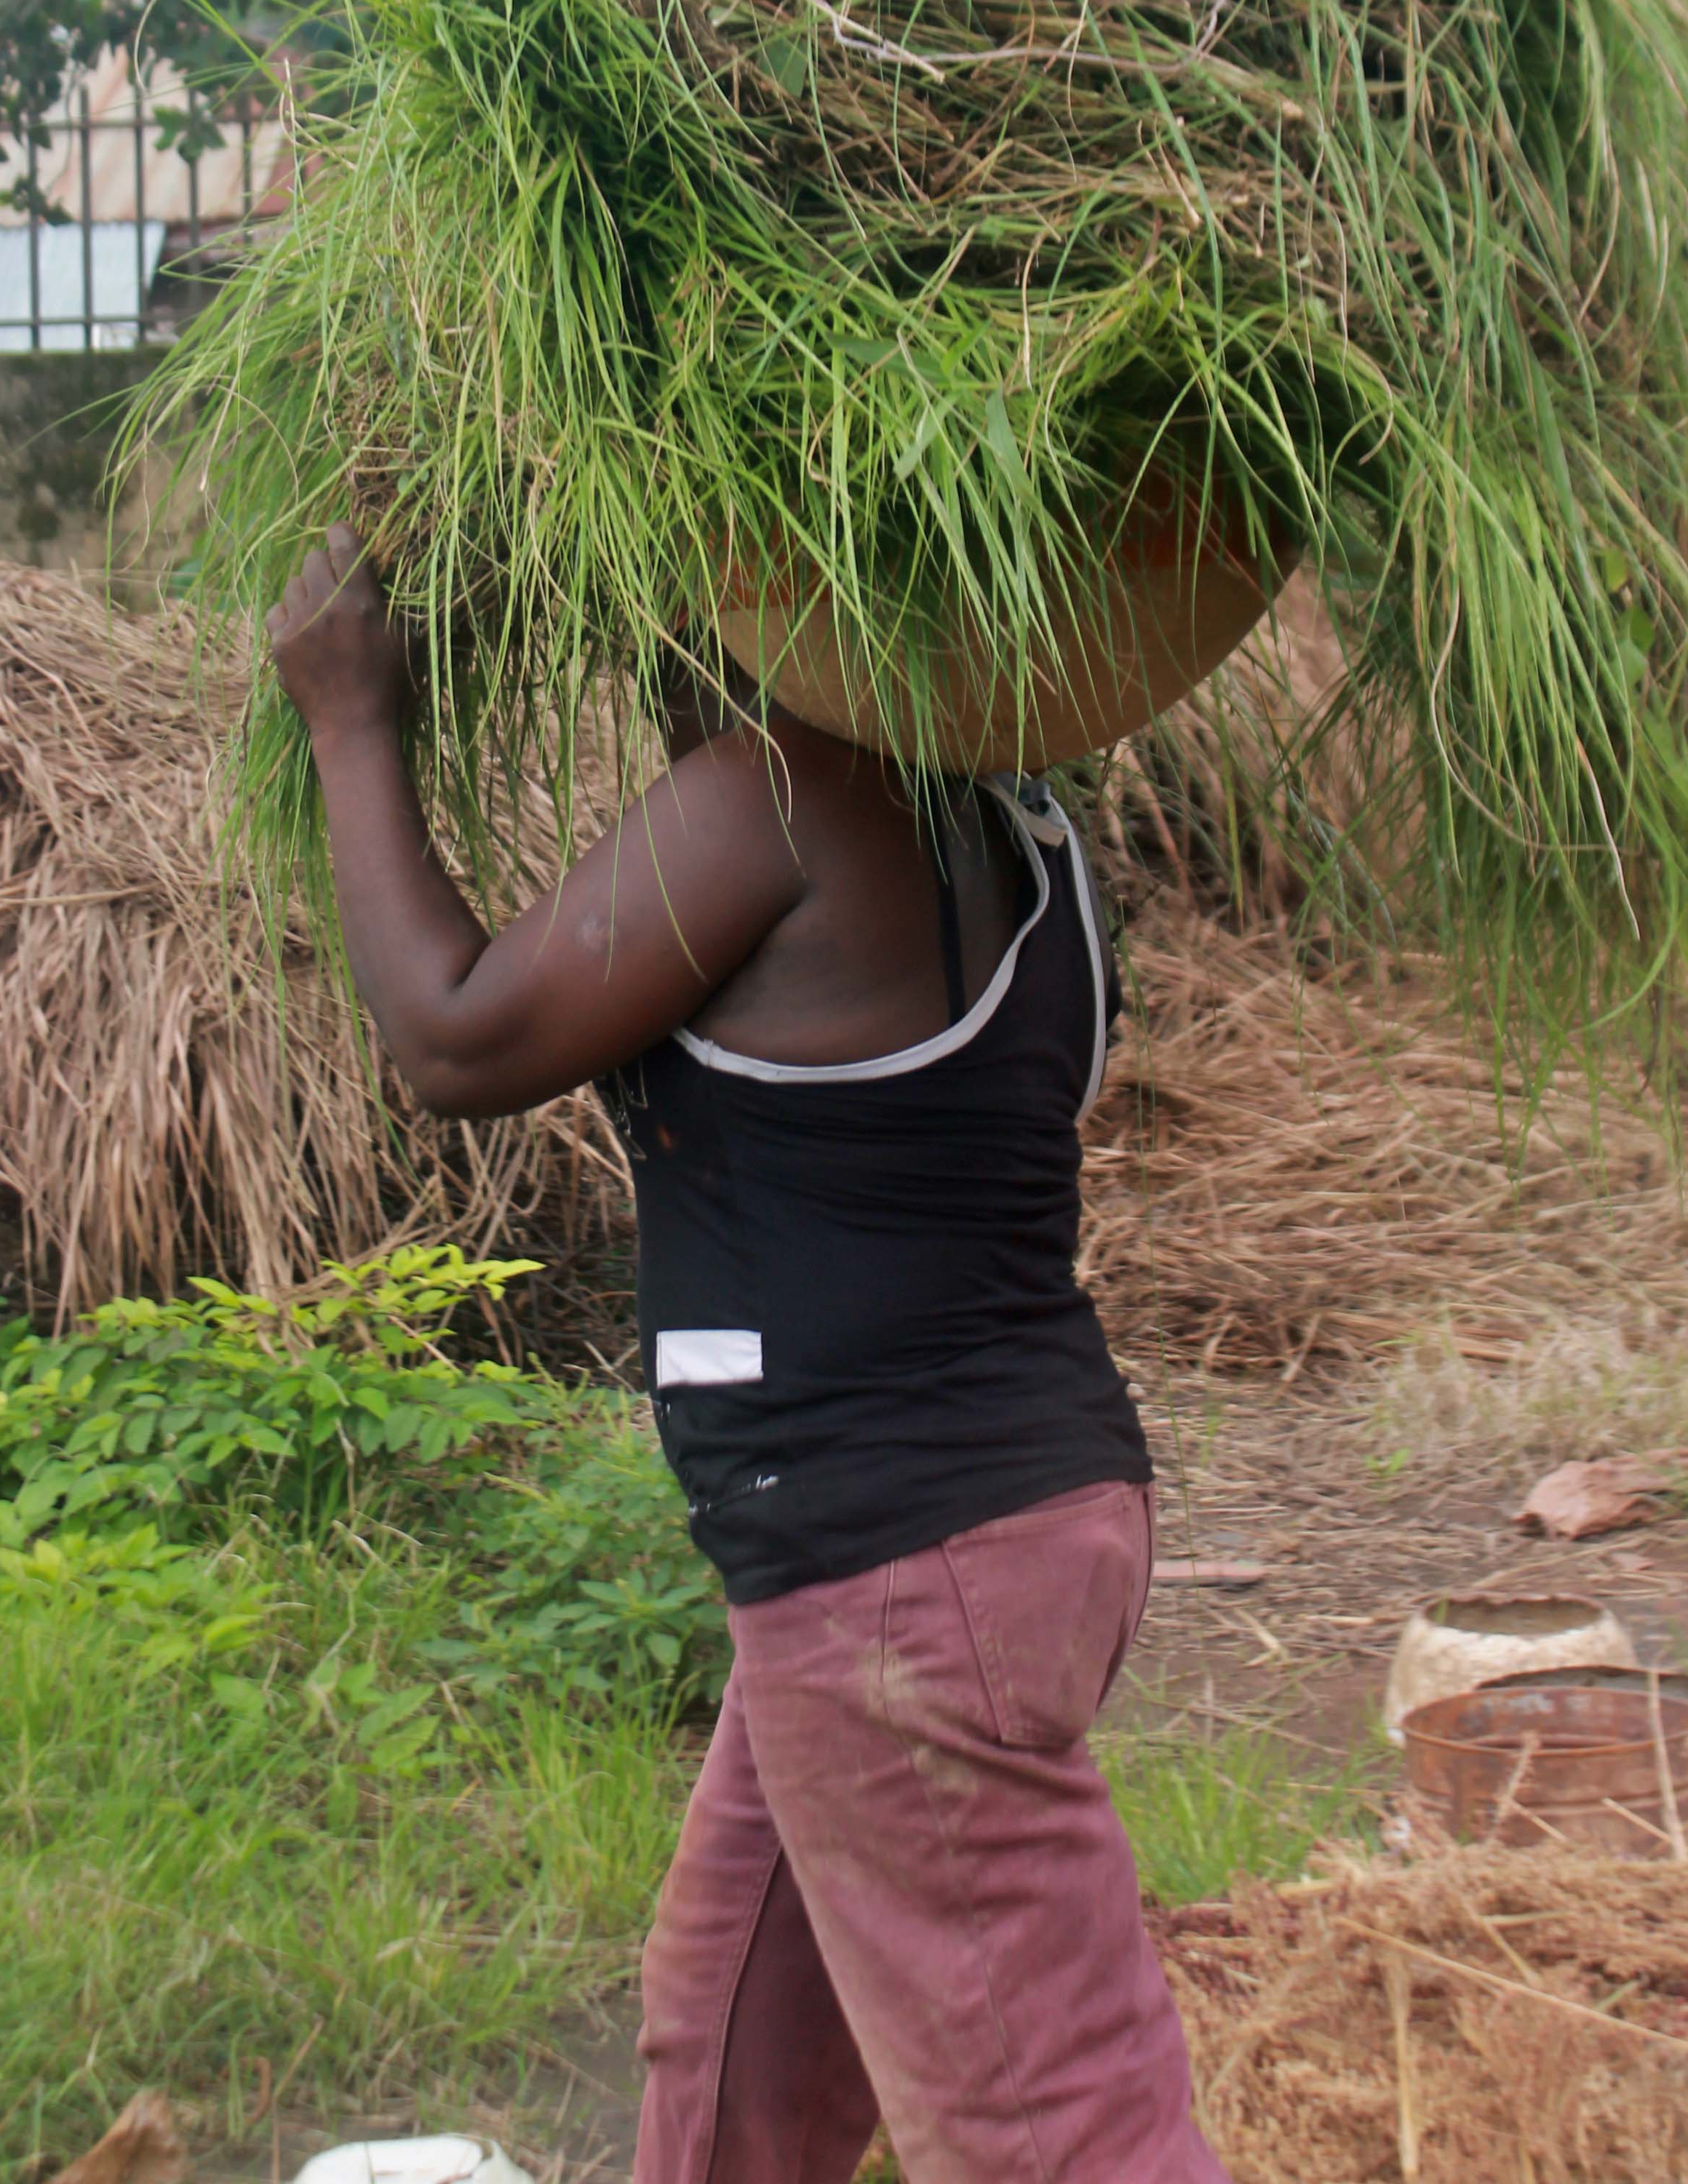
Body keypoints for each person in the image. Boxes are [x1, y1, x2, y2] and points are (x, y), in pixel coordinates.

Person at [268, 527, 1231, 2184]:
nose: (636, 632)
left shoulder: (776, 800)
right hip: (981, 1531)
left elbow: (454, 1034)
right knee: (732, 2034)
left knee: (1054, 2128)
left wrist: (354, 722)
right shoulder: (1018, 818)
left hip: (901, 1579)